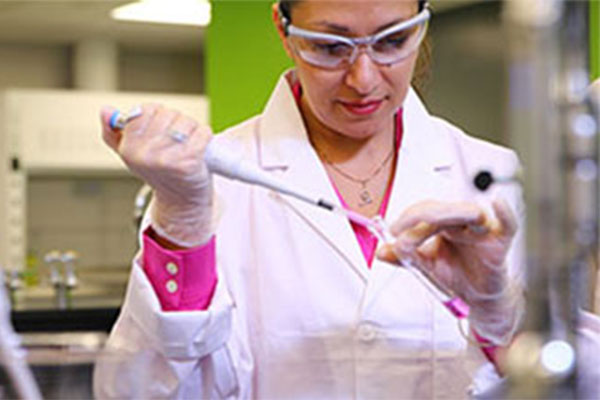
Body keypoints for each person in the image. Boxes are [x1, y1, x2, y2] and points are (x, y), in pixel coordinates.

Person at [94, 0, 525, 398]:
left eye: (393, 40)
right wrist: (182, 225)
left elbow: (571, 382)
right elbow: (136, 392)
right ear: (285, 32)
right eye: (329, 47)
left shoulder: (496, 178)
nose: (364, 79)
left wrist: (496, 320)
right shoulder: (210, 182)